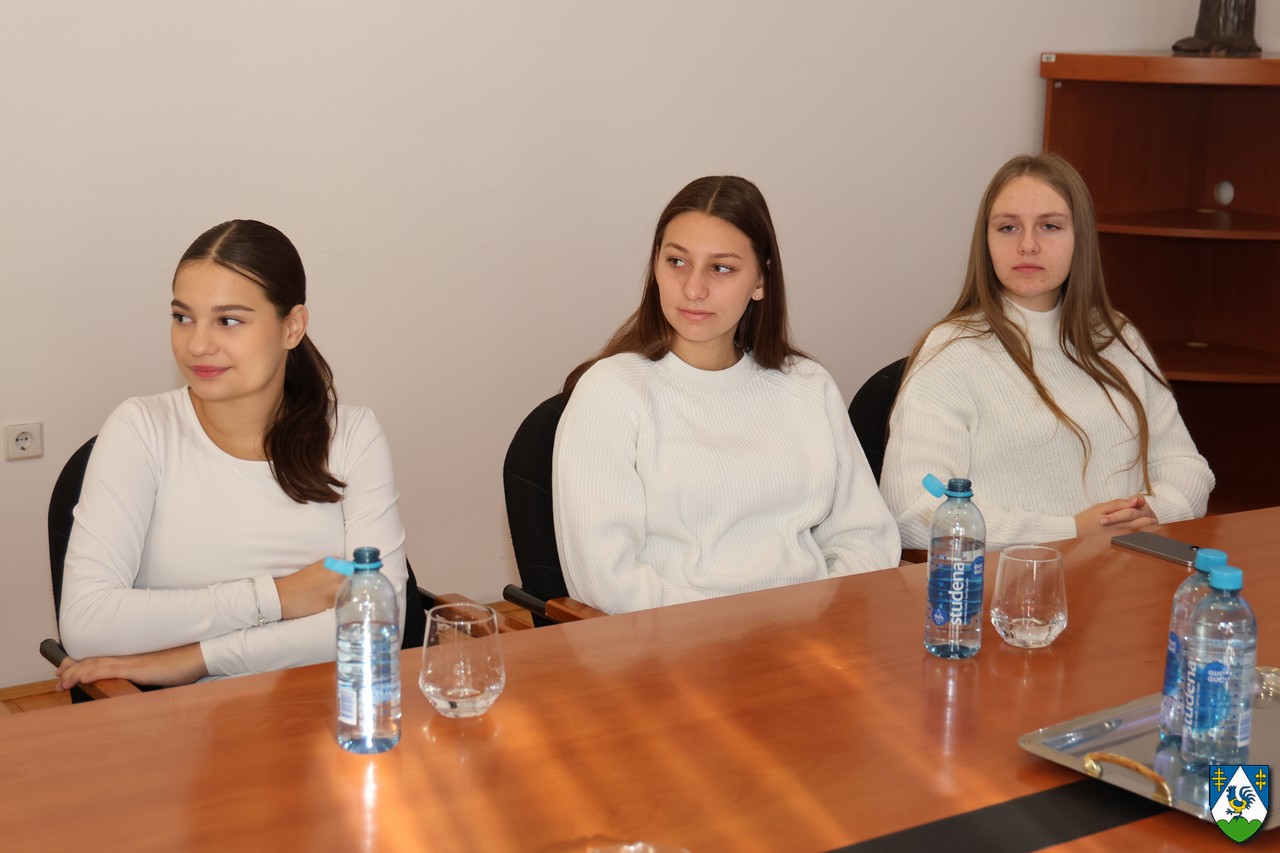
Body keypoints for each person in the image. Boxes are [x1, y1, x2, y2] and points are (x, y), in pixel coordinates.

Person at [57, 220, 408, 690]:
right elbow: (86, 622)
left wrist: (198, 658)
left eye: (228, 320)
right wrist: (279, 597)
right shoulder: (140, 428)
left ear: (292, 327)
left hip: (324, 710)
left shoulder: (351, 435)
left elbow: (380, 618)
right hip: (180, 721)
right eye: (182, 317)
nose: (197, 344)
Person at [553, 176, 901, 614]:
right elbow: (606, 583)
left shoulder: (808, 386)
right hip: (679, 644)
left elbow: (866, 540)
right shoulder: (611, 391)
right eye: (677, 261)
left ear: (760, 280)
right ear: (655, 267)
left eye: (720, 268)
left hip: (811, 638)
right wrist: (739, 633)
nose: (693, 288)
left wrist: (813, 625)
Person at [880, 153, 1214, 550]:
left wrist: (1153, 513)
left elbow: (1186, 467)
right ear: (986, 242)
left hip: (1127, 569)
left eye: (1049, 226)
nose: (1027, 245)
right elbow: (912, 511)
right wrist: (1071, 530)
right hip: (1013, 580)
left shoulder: (1117, 336)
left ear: (1080, 239)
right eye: (1008, 227)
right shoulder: (951, 352)